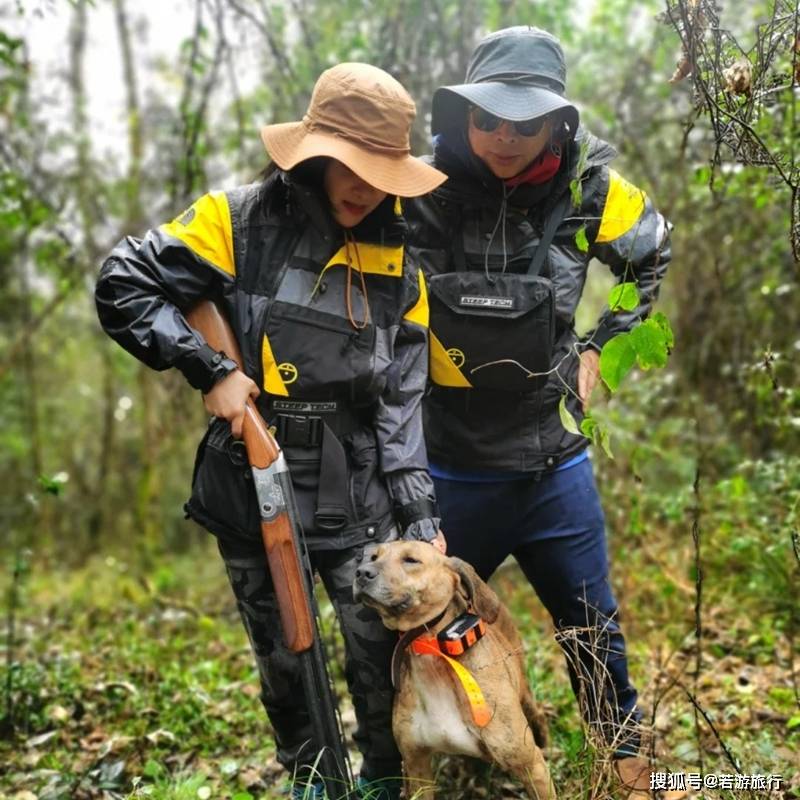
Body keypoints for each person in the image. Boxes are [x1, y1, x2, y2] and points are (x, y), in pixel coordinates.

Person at [95, 63, 446, 800]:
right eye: (351, 165)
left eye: (381, 170)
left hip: (357, 485)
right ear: (314, 151)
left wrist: (418, 512)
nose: (365, 185)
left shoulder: (402, 260)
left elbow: (399, 403)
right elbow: (122, 281)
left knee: (376, 646)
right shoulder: (235, 218)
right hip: (250, 470)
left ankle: (385, 778)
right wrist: (210, 369)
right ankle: (314, 780)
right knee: (284, 654)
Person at [405, 27, 683, 799]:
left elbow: (649, 256)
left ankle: (627, 763)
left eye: (524, 125)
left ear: (555, 124)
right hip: (447, 460)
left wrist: (603, 346)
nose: (503, 138)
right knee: (420, 633)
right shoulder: (418, 184)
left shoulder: (594, 187)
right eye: (488, 120)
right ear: (463, 115)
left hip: (552, 459)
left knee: (592, 626)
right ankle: (414, 759)